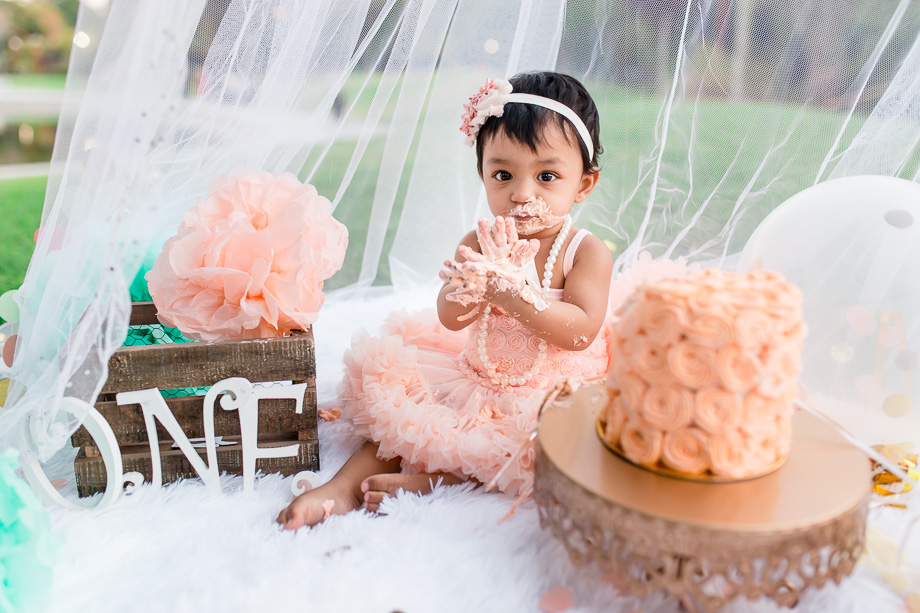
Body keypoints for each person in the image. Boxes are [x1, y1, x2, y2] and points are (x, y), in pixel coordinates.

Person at [278, 71, 612, 530]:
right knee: (411, 417)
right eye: (503, 175)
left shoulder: (585, 252)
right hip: (478, 379)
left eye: (547, 176)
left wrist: (511, 294)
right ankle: (343, 487)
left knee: (536, 449)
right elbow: (451, 318)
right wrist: (470, 288)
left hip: (551, 392)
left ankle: (438, 479)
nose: (521, 193)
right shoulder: (478, 242)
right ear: (483, 175)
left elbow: (581, 330)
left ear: (584, 185)